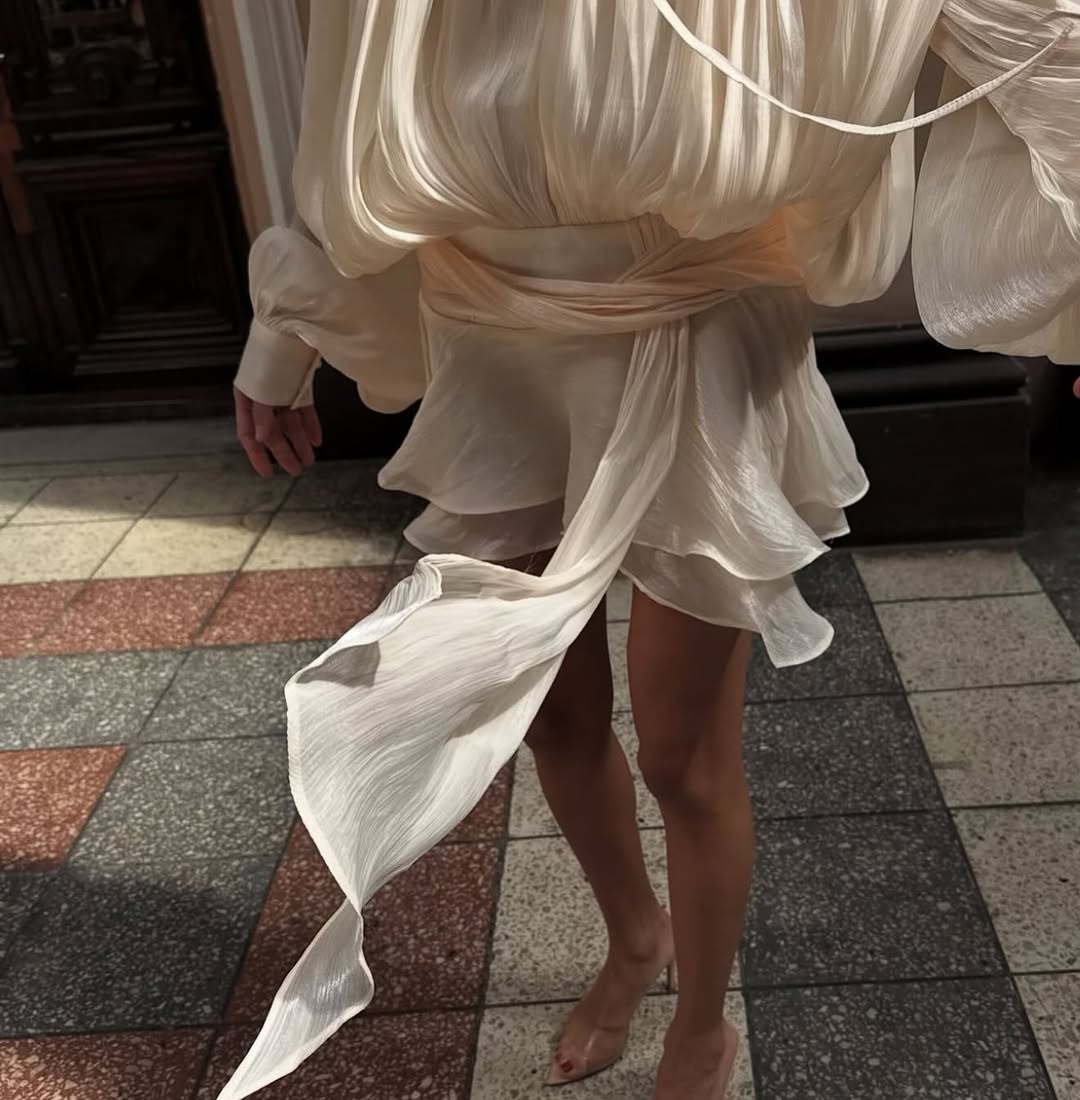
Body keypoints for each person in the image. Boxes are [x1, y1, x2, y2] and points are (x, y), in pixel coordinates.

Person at [223, 3, 1080, 1098]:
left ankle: (704, 1026)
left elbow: (1035, 32)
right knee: (548, 710)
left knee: (684, 753)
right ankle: (636, 936)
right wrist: (285, 326)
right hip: (490, 325)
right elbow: (353, 74)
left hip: (698, 318)